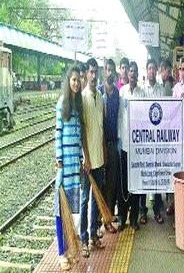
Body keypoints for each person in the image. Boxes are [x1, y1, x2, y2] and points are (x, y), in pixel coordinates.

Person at [54, 66, 83, 271]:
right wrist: (59, 160)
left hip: (76, 165)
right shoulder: (62, 103)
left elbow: (79, 137)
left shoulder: (77, 105)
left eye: (78, 80)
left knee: (72, 211)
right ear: (68, 81)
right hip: (65, 166)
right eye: (73, 79)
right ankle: (61, 253)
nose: (76, 83)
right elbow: (57, 134)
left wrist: (81, 158)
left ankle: (71, 249)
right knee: (59, 211)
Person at [80, 58, 107, 257]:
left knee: (97, 200)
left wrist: (103, 153)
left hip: (99, 158)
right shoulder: (82, 98)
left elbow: (101, 128)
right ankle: (83, 239)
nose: (94, 74)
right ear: (86, 74)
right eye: (91, 71)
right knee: (84, 200)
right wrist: (86, 158)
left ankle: (93, 236)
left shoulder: (100, 96)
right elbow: (82, 131)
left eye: (96, 71)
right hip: (87, 161)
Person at [166, 57, 184, 216]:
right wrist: (178, 101)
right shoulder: (176, 89)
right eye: (182, 69)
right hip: (177, 142)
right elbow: (170, 113)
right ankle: (175, 205)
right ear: (179, 72)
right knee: (177, 175)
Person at [117, 61, 144, 231]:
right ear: (127, 74)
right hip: (125, 146)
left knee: (136, 184)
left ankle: (134, 218)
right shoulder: (122, 92)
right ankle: (122, 217)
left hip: (138, 147)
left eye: (135, 71)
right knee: (123, 184)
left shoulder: (142, 94)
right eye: (130, 71)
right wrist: (120, 139)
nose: (132, 74)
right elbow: (120, 117)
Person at [140, 59, 165, 225]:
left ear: (156, 71)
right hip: (144, 140)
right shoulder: (141, 91)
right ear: (146, 70)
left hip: (158, 141)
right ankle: (143, 212)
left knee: (156, 176)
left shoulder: (162, 90)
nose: (151, 71)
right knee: (143, 176)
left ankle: (156, 211)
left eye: (153, 68)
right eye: (148, 68)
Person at [97, 58, 119, 233]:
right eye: (107, 69)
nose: (109, 73)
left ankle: (109, 217)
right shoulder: (98, 93)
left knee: (111, 183)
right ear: (103, 71)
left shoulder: (117, 94)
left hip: (112, 145)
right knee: (99, 184)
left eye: (112, 70)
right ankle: (98, 220)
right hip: (99, 146)